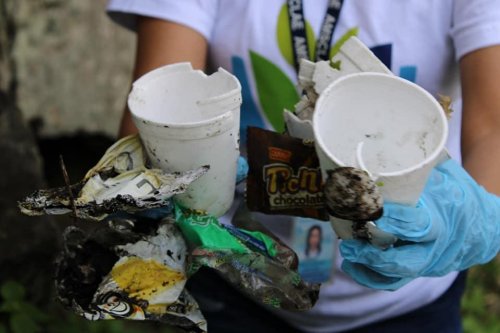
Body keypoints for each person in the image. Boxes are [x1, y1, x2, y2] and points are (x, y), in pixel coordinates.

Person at [106, 1, 500, 332]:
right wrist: (158, 182)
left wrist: (474, 217)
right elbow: (159, 101)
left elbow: (493, 130)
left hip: (409, 300)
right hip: (237, 275)